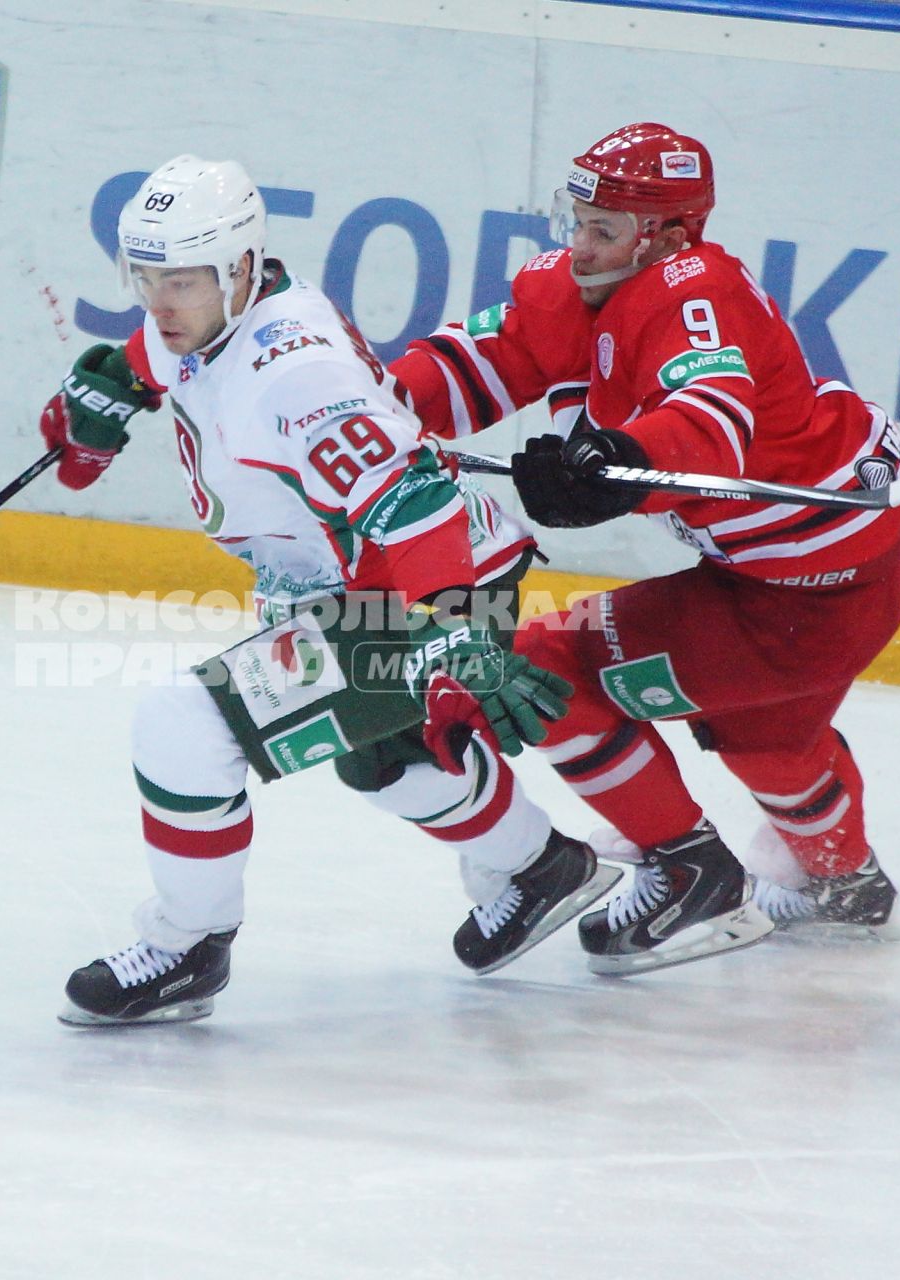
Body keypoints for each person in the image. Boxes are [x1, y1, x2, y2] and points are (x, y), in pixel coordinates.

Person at [40, 155, 621, 1025]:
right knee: (388, 760)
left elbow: (412, 502)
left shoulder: (299, 374)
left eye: (183, 281)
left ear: (241, 268)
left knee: (185, 722)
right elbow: (159, 358)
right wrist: (103, 397)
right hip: (385, 583)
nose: (160, 304)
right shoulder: (212, 312)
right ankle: (545, 867)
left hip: (418, 590)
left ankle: (188, 943)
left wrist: (457, 629)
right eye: (145, 279)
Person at [391, 122, 900, 974]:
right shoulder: (573, 288)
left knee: (548, 668)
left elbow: (711, 415)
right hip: (796, 582)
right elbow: (480, 361)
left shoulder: (696, 291)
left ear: (669, 234)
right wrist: (361, 410)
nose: (579, 247)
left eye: (604, 230)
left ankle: (690, 872)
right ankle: (846, 885)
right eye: (576, 221)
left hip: (807, 601)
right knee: (768, 741)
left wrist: (621, 463)